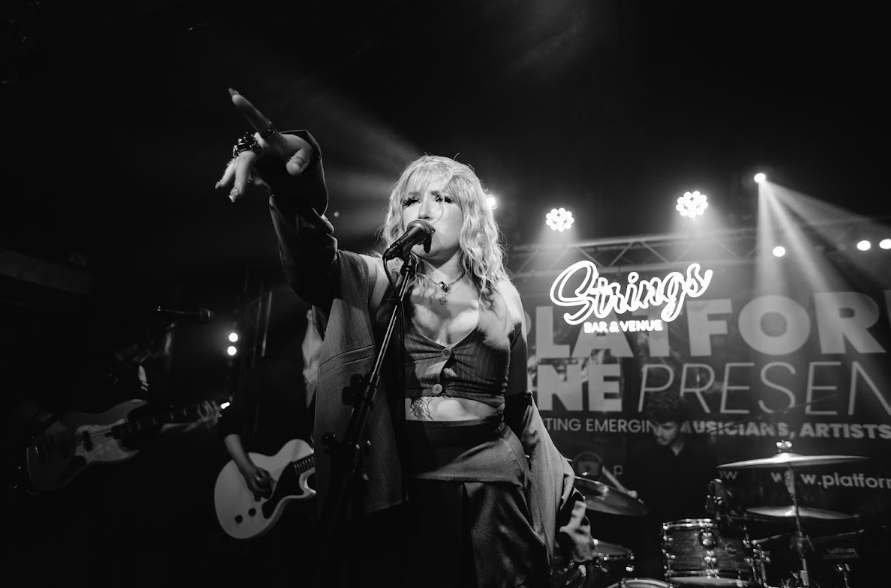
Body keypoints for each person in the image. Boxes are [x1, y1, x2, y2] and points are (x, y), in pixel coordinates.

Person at [215, 88, 596, 588]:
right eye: (413, 199)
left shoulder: (504, 296)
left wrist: (569, 512)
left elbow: (522, 411)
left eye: (443, 198)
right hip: (402, 489)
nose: (425, 209)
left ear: (471, 214)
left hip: (494, 489)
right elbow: (312, 262)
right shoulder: (380, 278)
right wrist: (294, 184)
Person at [215, 307, 322, 588]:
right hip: (258, 491)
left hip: (304, 507)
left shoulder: (338, 382)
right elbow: (228, 424)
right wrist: (247, 469)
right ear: (311, 313)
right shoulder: (271, 367)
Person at [621, 390, 718, 580]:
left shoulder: (702, 455)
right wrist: (627, 498)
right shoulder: (639, 454)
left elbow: (713, 501)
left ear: (682, 425)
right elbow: (627, 500)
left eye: (666, 427)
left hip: (693, 542)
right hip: (651, 544)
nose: (658, 433)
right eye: (654, 426)